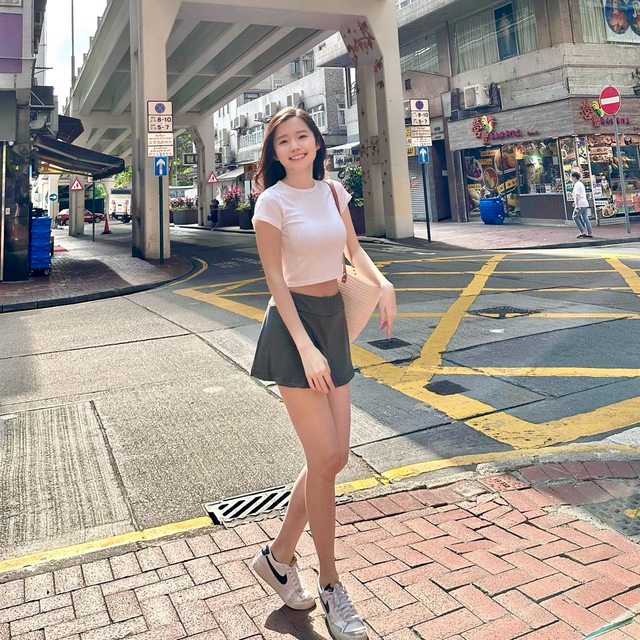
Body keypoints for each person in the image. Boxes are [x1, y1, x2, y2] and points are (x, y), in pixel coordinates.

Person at [249, 107, 396, 640]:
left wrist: (383, 284)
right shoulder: (271, 202)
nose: (295, 146)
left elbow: (352, 250)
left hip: (333, 320)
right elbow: (275, 280)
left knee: (334, 458)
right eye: (283, 141)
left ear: (316, 142)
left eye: (302, 136)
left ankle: (277, 558)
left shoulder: (334, 193)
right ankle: (331, 586)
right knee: (325, 459)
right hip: (295, 330)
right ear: (274, 152)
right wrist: (307, 349)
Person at [570, 171, 593, 238]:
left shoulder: (577, 185)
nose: (571, 179)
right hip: (584, 203)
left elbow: (577, 195)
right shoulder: (580, 184)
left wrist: (577, 204)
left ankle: (582, 231)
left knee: (575, 217)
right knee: (585, 217)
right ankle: (589, 232)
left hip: (580, 204)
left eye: (572, 178)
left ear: (574, 178)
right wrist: (575, 202)